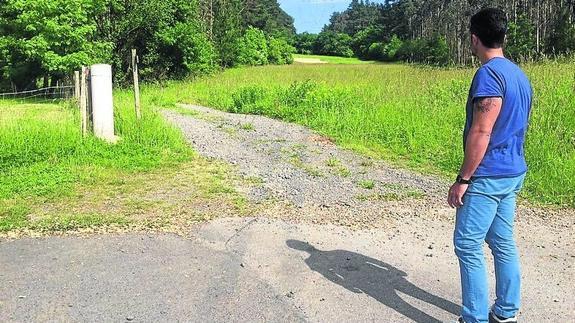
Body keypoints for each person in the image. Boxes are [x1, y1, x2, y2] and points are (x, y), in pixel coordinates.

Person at [447, 8, 533, 323]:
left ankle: (474, 317)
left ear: (474, 38)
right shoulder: (518, 74)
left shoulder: (489, 75)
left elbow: (482, 131)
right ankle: (507, 311)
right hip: (513, 172)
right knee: (501, 240)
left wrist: (464, 178)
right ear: (503, 36)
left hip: (487, 175)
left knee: (467, 244)